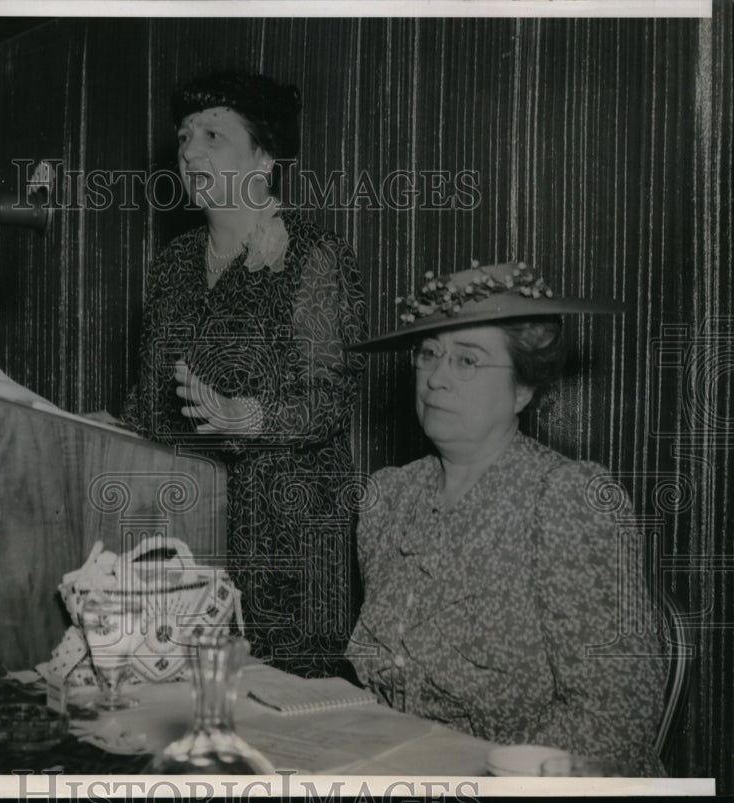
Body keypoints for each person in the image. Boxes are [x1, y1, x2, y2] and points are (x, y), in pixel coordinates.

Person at [345, 262, 667, 776]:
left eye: (468, 361)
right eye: (429, 354)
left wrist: (477, 774)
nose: (437, 379)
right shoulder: (389, 496)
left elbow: (617, 715)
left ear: (522, 390)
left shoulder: (566, 499)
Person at [119, 72, 368, 679]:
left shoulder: (314, 255)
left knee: (289, 722)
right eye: (183, 137)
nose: (189, 151)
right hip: (188, 527)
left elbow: (331, 397)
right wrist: (106, 428)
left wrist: (246, 416)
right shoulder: (171, 266)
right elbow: (154, 394)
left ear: (264, 159)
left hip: (287, 535)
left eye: (212, 135)